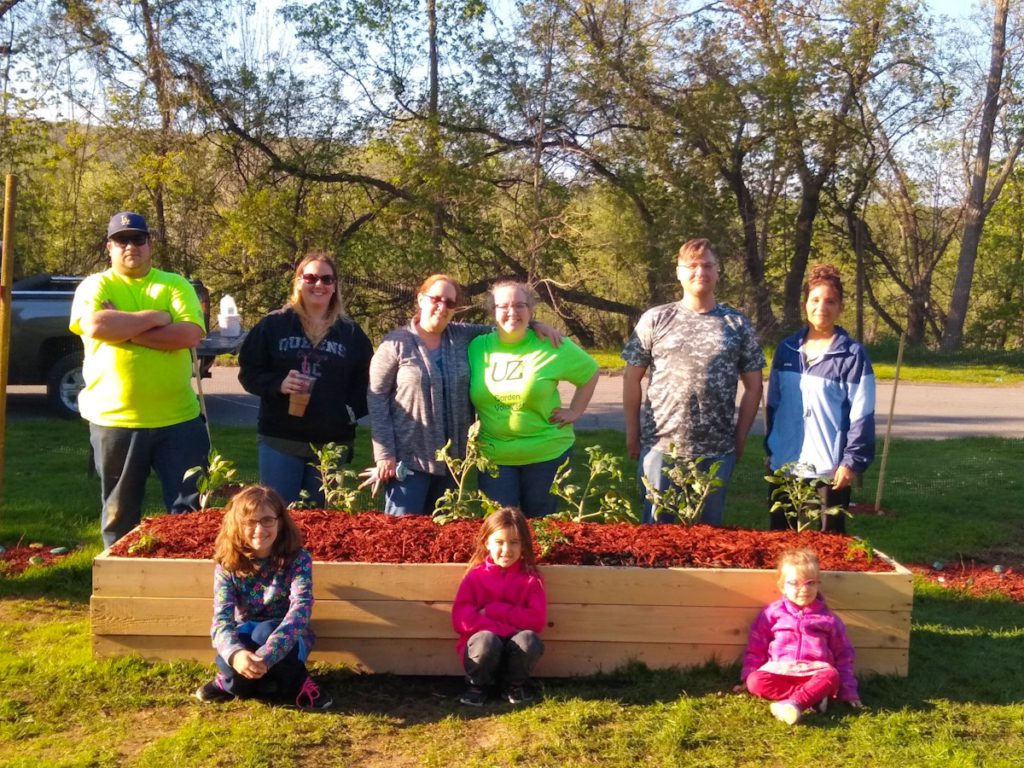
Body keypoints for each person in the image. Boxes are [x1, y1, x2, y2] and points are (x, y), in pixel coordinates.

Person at [366, 275, 565, 516]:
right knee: (404, 537)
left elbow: (504, 324)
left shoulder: (462, 336)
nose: (442, 307)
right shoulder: (395, 344)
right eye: (436, 299)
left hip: (453, 463)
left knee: (444, 536)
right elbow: (377, 399)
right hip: (409, 461)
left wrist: (536, 325)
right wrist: (384, 455)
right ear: (420, 299)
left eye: (450, 303)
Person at [70, 211, 210, 548]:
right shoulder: (96, 285)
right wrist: (159, 318)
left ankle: (183, 586)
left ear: (150, 244)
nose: (130, 245)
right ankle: (119, 588)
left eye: (138, 239)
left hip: (179, 419)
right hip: (115, 422)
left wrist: (126, 330)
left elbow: (190, 334)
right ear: (109, 246)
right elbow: (97, 326)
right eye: (122, 240)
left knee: (189, 514)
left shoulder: (174, 284)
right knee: (119, 514)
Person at [622, 238, 765, 525]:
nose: (701, 272)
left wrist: (738, 439)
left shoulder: (737, 324)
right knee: (657, 537)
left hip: (715, 452)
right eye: (693, 266)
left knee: (708, 541)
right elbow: (631, 379)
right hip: (660, 448)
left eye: (708, 265)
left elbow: (754, 387)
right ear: (678, 272)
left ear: (717, 271)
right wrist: (633, 432)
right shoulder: (656, 319)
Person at [238, 253, 372, 505]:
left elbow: (366, 380)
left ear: (335, 286)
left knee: (321, 522)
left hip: (332, 444)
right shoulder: (274, 325)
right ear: (298, 282)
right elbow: (249, 373)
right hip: (281, 439)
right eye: (310, 277)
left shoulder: (350, 332)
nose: (318, 284)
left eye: (326, 279)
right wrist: (279, 384)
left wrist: (347, 412)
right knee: (278, 515)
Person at [194, 485, 333, 710]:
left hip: (289, 638)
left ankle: (298, 683)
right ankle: (232, 681)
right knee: (234, 663)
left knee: (264, 632)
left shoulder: (298, 559)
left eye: (267, 520)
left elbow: (301, 610)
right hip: (245, 637)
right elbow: (221, 619)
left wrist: (267, 656)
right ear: (237, 525)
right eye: (250, 522)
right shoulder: (227, 564)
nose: (259, 529)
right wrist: (236, 655)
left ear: (280, 521)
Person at [468, 281, 599, 518]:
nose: (512, 312)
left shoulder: (552, 344)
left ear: (531, 310)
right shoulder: (476, 347)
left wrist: (575, 411)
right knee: (499, 528)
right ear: (492, 311)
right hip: (495, 456)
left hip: (546, 453)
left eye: (520, 305)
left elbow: (590, 371)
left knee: (542, 529)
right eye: (503, 306)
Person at [765, 264, 875, 533]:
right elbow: (773, 406)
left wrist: (850, 463)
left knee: (830, 545)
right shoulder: (786, 350)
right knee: (780, 541)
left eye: (830, 301)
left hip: (829, 470)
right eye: (815, 300)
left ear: (840, 308)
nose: (821, 307)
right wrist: (772, 450)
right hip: (786, 466)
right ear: (805, 304)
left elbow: (862, 414)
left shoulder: (852, 355)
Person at [735, 548, 862, 725]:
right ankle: (811, 700)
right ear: (782, 587)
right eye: (794, 583)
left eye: (810, 583)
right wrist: (747, 674)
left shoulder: (829, 620)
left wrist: (848, 690)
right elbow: (757, 647)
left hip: (815, 673)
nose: (803, 590)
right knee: (755, 681)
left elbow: (844, 655)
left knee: (832, 676)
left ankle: (794, 703)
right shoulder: (772, 614)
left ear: (818, 584)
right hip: (781, 671)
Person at [452, 506, 546, 706]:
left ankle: (514, 685)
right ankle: (477, 685)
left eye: (514, 543)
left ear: (523, 546)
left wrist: (495, 611)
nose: (506, 550)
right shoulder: (475, 577)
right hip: (484, 650)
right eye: (499, 542)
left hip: (515, 648)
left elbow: (536, 620)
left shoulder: (531, 579)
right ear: (487, 543)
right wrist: (504, 630)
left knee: (529, 640)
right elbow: (462, 619)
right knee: (486, 640)